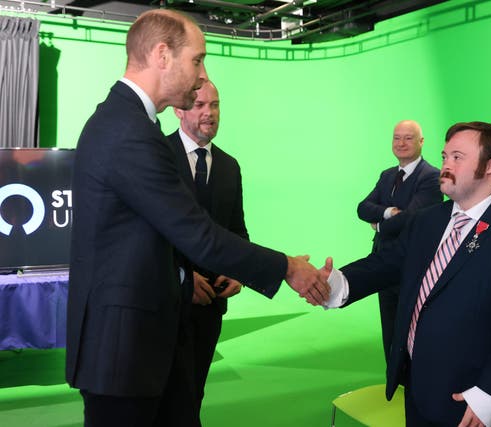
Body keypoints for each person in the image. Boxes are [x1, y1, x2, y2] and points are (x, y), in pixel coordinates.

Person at [66, 9, 329, 427]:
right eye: (197, 59)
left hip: (142, 344)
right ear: (162, 55)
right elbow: (197, 234)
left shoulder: (128, 122)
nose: (201, 73)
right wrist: (288, 268)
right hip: (124, 352)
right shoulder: (129, 132)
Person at [323, 121, 491, 427]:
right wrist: (330, 284)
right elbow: (383, 264)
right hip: (418, 389)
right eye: (445, 156)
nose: (446, 165)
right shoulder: (428, 221)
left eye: (458, 157)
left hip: (471, 403)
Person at [169, 79, 245, 425]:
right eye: (200, 105)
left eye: (214, 105)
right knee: (165, 397)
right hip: (165, 302)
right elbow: (145, 236)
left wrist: (238, 272)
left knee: (193, 393)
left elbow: (236, 232)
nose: (209, 113)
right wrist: (182, 277)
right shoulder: (157, 156)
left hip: (211, 304)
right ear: (178, 109)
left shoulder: (230, 166)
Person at [356, 120, 441, 363]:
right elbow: (362, 208)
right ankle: (394, 384)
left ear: (421, 142)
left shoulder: (432, 177)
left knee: (413, 329)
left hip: (413, 266)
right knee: (390, 330)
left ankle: (416, 387)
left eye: (408, 138)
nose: (401, 143)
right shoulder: (387, 175)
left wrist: (380, 223)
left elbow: (411, 219)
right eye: (397, 138)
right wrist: (389, 212)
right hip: (384, 264)